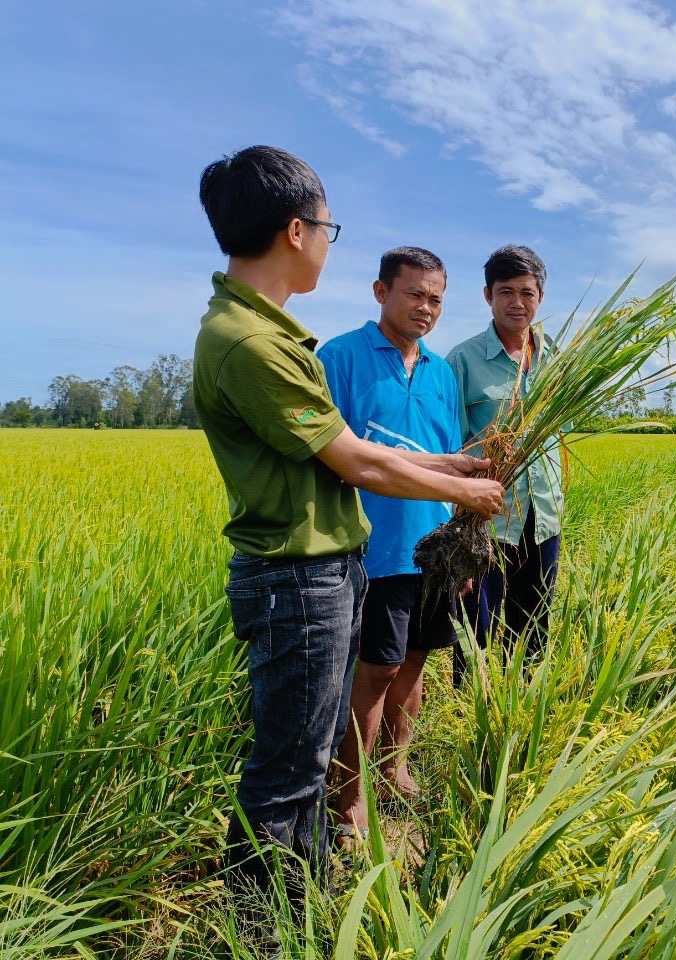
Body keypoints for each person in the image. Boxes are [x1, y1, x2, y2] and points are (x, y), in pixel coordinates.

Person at [192, 146, 504, 908]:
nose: (330, 239)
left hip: (324, 569)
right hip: (297, 576)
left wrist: (452, 472)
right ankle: (266, 922)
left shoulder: (262, 330)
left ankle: (299, 893)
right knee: (289, 767)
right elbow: (356, 463)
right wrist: (468, 489)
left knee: (308, 750)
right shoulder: (254, 342)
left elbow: (362, 450)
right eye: (329, 225)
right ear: (297, 230)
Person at [317, 246, 462, 842]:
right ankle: (349, 796)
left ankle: (393, 769)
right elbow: (335, 454)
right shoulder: (341, 358)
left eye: (435, 298)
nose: (425, 308)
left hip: (433, 549)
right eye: (414, 295)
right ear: (381, 292)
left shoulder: (440, 372)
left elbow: (451, 461)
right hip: (372, 549)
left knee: (416, 664)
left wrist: (461, 547)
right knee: (375, 671)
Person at [447, 245, 563, 678]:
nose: (517, 302)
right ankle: (468, 710)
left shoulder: (554, 358)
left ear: (540, 297)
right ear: (487, 296)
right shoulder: (462, 359)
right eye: (506, 291)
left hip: (544, 514)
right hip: (487, 518)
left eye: (527, 292)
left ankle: (525, 701)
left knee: (534, 624)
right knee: (476, 628)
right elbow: (451, 445)